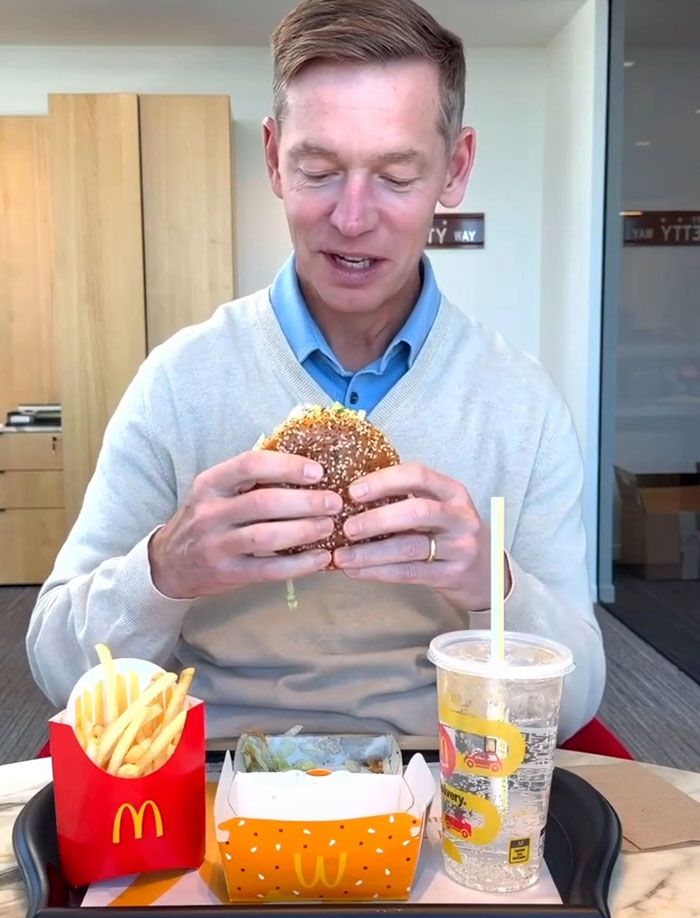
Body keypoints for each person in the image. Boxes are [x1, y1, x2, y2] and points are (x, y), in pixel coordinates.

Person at [27, 0, 605, 742]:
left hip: (448, 776)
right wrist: (164, 567)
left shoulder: (519, 406)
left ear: (455, 169)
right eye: (319, 170)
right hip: (216, 776)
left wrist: (495, 587)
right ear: (273, 158)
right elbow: (55, 666)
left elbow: (579, 694)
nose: (353, 218)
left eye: (396, 175)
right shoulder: (180, 383)